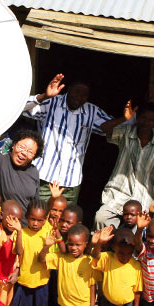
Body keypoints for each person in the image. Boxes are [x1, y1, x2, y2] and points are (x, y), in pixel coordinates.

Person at [25, 73, 129, 206]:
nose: (79, 97)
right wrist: (44, 96)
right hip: (44, 177)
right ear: (69, 89)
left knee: (66, 221)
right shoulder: (52, 102)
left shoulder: (91, 111)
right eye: (76, 92)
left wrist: (124, 119)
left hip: (71, 182)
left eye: (84, 95)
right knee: (38, 215)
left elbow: (105, 127)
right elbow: (21, 108)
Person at [95, 101, 154, 229]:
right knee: (101, 218)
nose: (146, 122)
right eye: (143, 118)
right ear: (137, 118)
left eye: (151, 120)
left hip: (144, 198)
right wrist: (125, 119)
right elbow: (103, 129)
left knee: (136, 232)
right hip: (118, 193)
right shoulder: (126, 132)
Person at [3, 199, 53, 306]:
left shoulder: (48, 232)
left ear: (45, 220)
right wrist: (19, 232)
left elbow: (41, 260)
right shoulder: (21, 232)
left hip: (41, 284)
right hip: (24, 284)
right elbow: (18, 252)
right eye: (32, 219)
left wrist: (46, 247)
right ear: (26, 217)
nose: (36, 223)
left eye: (40, 220)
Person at [0, 130, 44, 215]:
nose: (24, 153)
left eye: (30, 152)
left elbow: (35, 202)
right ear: (14, 145)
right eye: (22, 147)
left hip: (24, 226)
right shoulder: (0, 161)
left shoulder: (34, 171)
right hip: (3, 224)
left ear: (34, 156)